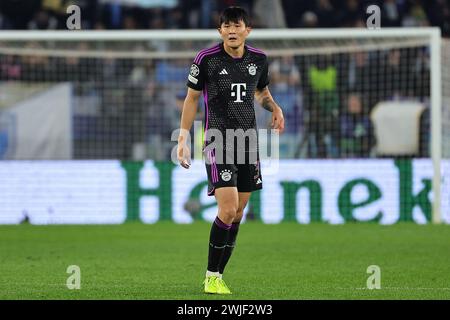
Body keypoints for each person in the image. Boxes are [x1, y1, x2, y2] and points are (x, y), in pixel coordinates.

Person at [177, 6, 284, 294]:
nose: (232, 30)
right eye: (226, 26)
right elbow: (191, 99)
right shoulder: (206, 60)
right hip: (218, 140)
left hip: (247, 141)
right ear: (220, 31)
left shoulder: (259, 59)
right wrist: (183, 138)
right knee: (226, 209)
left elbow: (261, 92)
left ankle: (219, 275)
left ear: (248, 30)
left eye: (237, 25)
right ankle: (211, 276)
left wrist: (274, 107)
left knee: (237, 213)